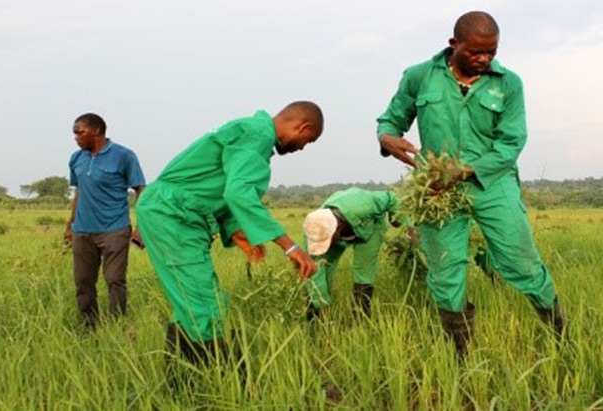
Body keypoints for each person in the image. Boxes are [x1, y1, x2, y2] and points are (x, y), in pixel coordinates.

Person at [375, 11, 566, 361]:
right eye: (476, 52)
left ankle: (561, 336)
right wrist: (387, 138)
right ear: (454, 45)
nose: (484, 59)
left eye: (491, 52)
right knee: (445, 270)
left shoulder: (509, 84)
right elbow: (391, 120)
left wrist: (465, 171)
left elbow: (511, 143)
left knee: (522, 262)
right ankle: (461, 356)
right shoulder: (419, 77)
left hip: (491, 182)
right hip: (436, 190)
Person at [135, 101, 323, 380]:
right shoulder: (256, 136)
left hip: (178, 213)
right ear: (302, 127)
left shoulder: (251, 133)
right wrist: (291, 247)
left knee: (191, 300)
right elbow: (238, 193)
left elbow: (218, 190)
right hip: (173, 215)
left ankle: (179, 382)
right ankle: (234, 383)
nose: (301, 148)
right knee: (206, 304)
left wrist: (239, 232)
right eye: (306, 141)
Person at [64, 113, 146, 329]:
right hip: (83, 230)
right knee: (83, 282)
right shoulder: (76, 159)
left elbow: (140, 189)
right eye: (74, 133)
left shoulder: (124, 156)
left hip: (114, 229)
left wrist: (141, 227)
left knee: (114, 280)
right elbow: (80, 190)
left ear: (96, 131)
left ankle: (116, 326)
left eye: (79, 132)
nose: (76, 138)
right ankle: (89, 326)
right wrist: (70, 224)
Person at [302, 188, 400, 319]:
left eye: (327, 242)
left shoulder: (363, 205)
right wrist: (320, 306)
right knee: (322, 268)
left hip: (370, 228)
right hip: (340, 229)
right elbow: (315, 271)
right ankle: (316, 317)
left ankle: (361, 317)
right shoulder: (313, 229)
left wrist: (399, 218)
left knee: (364, 269)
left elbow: (391, 198)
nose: (325, 247)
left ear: (338, 228)